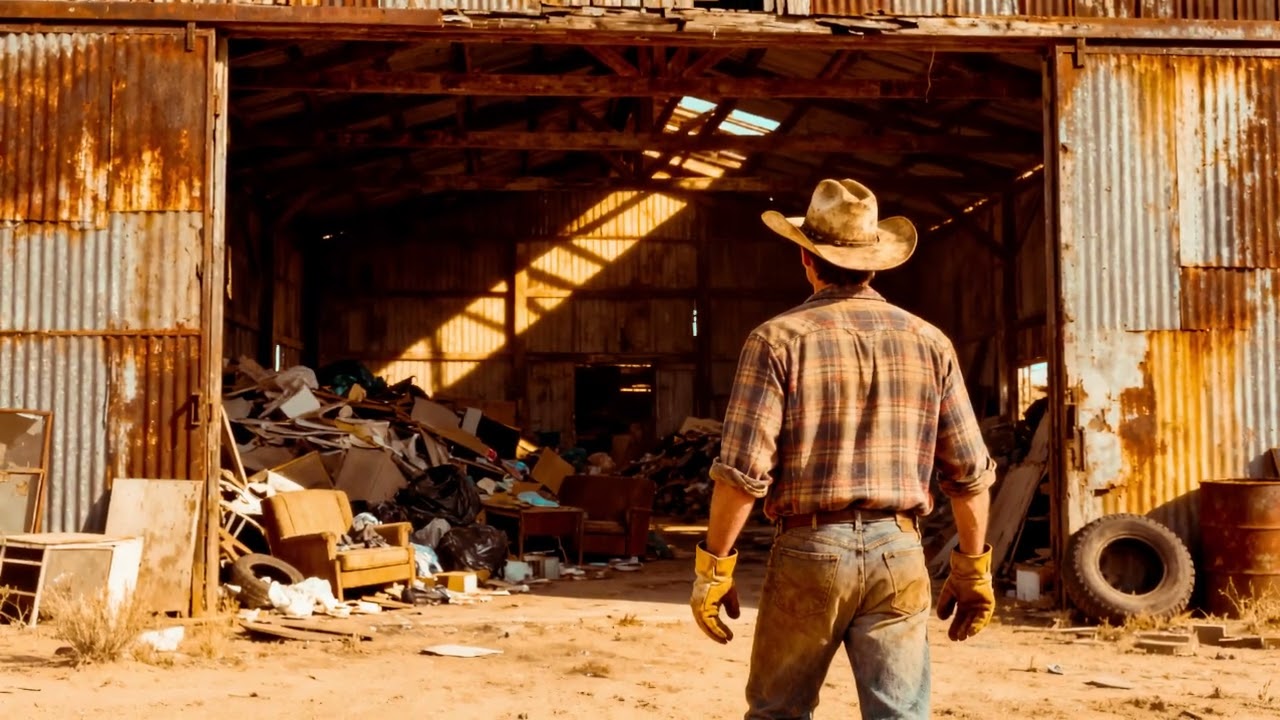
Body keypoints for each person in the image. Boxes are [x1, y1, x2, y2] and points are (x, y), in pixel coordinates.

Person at [689, 178, 997, 720]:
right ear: (875, 262)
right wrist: (973, 568)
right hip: (898, 552)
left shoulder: (776, 340)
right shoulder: (930, 342)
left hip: (810, 549)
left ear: (806, 258)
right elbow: (969, 474)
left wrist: (714, 568)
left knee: (777, 713)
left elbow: (741, 472)